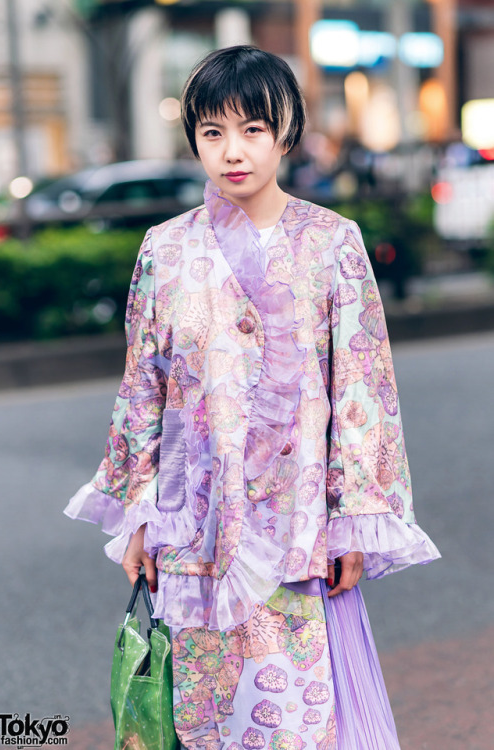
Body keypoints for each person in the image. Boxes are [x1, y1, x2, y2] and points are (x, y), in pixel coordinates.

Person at [64, 45, 440, 749]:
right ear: (194, 139)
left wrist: (353, 520)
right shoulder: (165, 249)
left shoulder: (331, 243)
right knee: (202, 721)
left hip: (296, 528)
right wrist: (140, 515)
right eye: (212, 132)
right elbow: (143, 387)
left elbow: (363, 391)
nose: (232, 151)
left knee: (291, 720)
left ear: (286, 132)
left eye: (252, 130)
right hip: (191, 529)